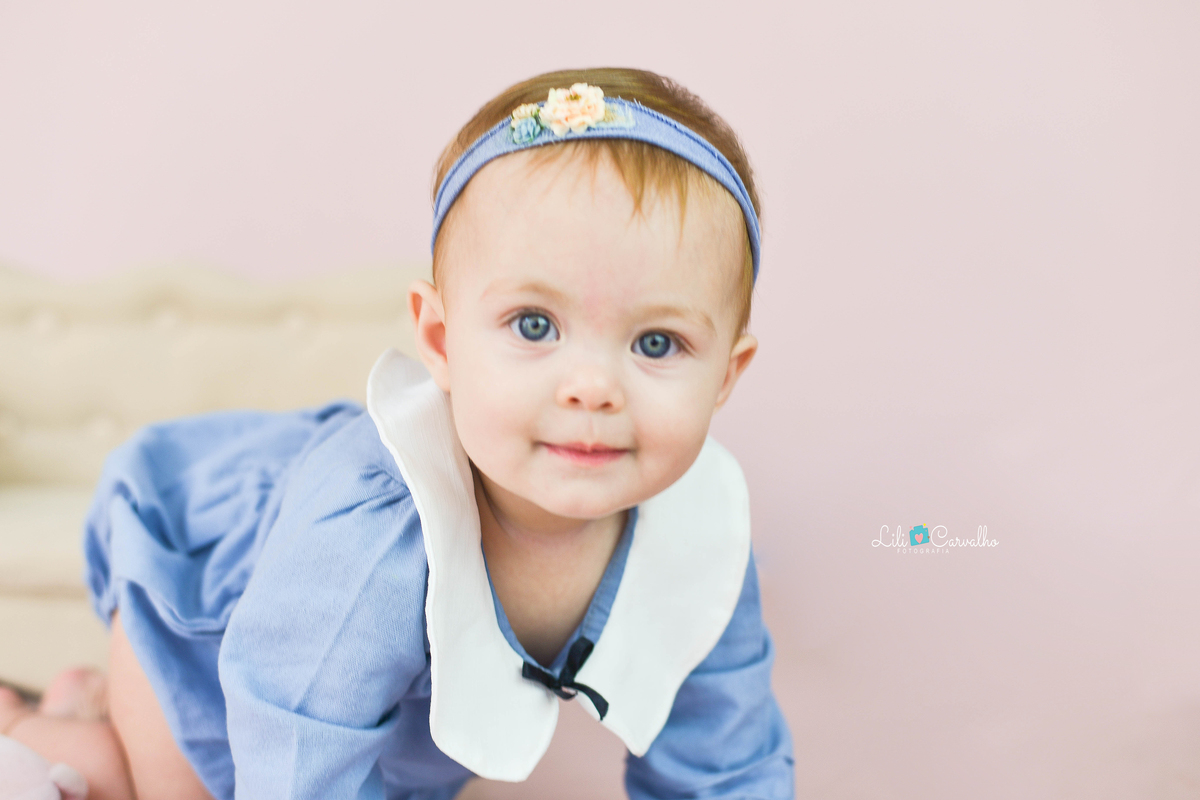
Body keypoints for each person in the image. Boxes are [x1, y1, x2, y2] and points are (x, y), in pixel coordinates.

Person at [0, 67, 794, 800]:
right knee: (152, 788)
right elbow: (296, 752)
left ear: (726, 372)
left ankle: (79, 700)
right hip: (215, 626)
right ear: (443, 344)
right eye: (533, 324)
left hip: (367, 709)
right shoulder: (372, 537)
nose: (592, 388)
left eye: (657, 343)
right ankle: (40, 722)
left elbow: (728, 763)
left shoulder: (699, 537)